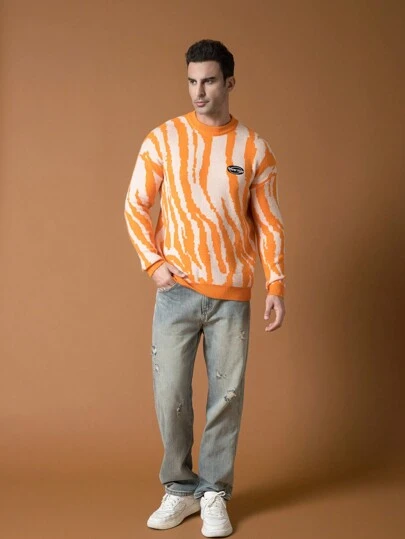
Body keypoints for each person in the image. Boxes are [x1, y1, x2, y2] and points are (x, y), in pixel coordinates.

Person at [124, 38, 286, 538]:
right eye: (192, 81)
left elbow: (270, 223)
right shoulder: (163, 140)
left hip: (231, 296)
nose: (199, 91)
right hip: (175, 293)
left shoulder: (255, 149)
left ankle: (214, 492)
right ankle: (179, 488)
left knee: (226, 397)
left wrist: (276, 282)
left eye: (209, 81)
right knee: (171, 394)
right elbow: (135, 205)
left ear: (229, 82)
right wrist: (154, 264)